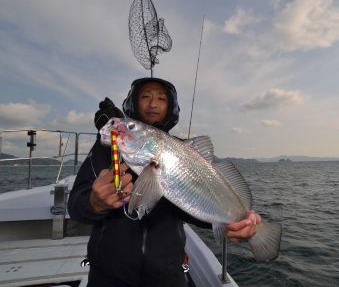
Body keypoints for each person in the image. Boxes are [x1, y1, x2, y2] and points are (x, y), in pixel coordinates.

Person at [68, 77, 261, 287]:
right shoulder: (107, 150)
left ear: (171, 107)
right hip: (108, 276)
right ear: (133, 102)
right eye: (145, 96)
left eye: (161, 98)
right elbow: (76, 207)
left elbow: (191, 207)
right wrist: (93, 203)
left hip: (169, 276)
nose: (153, 103)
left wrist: (235, 223)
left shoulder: (183, 153)